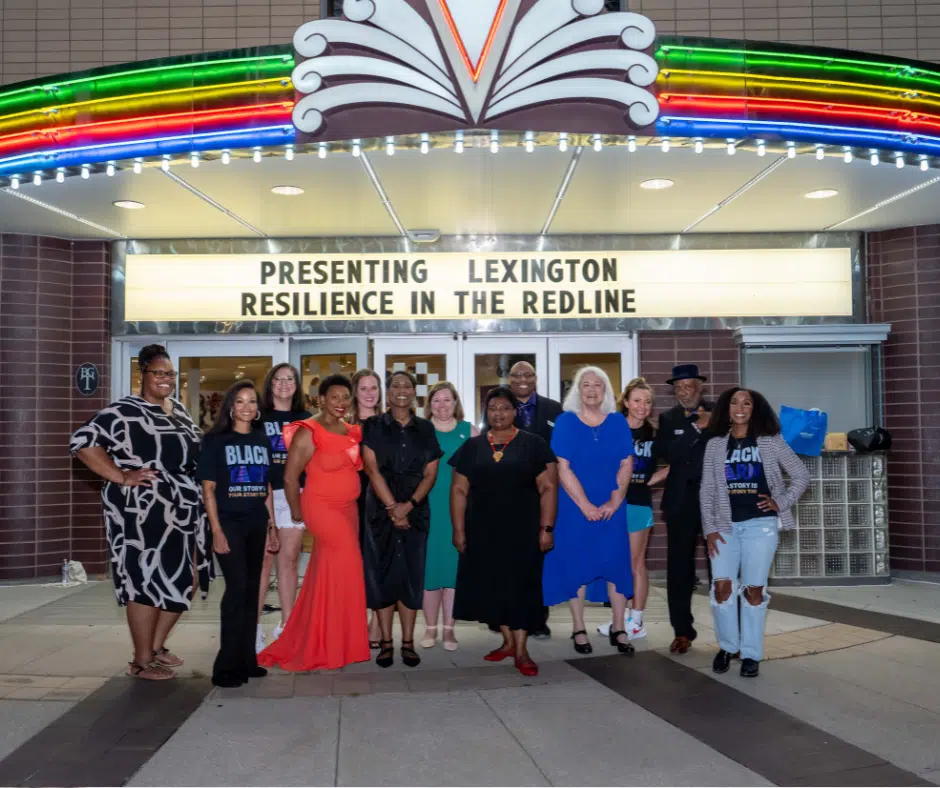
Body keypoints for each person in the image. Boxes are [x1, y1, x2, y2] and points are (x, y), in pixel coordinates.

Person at [70, 344, 206, 681]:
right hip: (140, 512)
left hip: (182, 510)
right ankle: (141, 661)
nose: (166, 379)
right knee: (145, 581)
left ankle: (156, 647)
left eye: (170, 374)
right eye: (159, 373)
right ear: (142, 375)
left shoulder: (179, 412)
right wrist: (121, 475)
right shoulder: (124, 410)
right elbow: (83, 441)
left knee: (186, 577)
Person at [258, 375, 371, 672]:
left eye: (346, 397)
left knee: (328, 574)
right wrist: (297, 512)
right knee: (348, 565)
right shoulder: (309, 430)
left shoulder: (352, 431)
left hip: (348, 510)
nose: (341, 403)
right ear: (321, 398)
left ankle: (333, 641)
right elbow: (290, 476)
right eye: (334, 397)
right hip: (321, 508)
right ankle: (331, 644)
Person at [701, 387, 809, 678]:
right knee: (722, 590)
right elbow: (707, 490)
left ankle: (750, 654)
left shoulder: (771, 443)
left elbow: (800, 475)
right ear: (726, 409)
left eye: (746, 403)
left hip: (760, 525)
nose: (740, 407)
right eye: (734, 402)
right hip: (724, 527)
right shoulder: (714, 445)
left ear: (754, 409)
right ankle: (727, 647)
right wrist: (709, 529)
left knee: (753, 591)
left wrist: (780, 502)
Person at [451, 386, 558, 677]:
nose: (499, 413)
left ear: (515, 411)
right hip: (482, 531)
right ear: (487, 411)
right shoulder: (472, 447)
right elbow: (459, 490)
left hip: (523, 531)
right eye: (493, 408)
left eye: (505, 408)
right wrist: (458, 531)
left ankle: (522, 650)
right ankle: (508, 643)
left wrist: (546, 528)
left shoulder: (533, 444)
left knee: (521, 587)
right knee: (495, 588)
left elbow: (548, 488)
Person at [543, 366, 636, 656]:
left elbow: (626, 463)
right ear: (577, 390)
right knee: (576, 563)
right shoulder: (565, 422)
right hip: (574, 509)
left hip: (612, 508)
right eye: (586, 384)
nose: (592, 389)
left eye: (598, 384)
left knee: (616, 563)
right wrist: (585, 505)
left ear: (606, 390)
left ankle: (619, 627)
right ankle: (579, 627)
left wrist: (614, 501)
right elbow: (563, 467)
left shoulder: (618, 422)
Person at [198, 380, 279, 688]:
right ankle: (225, 668)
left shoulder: (261, 439)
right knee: (235, 591)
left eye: (252, 402)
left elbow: (267, 486)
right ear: (231, 407)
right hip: (229, 524)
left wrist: (272, 526)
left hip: (256, 523)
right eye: (241, 401)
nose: (248, 407)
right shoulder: (215, 440)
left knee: (250, 591)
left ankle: (247, 660)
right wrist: (216, 530)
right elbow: (208, 489)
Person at [361, 371, 443, 668]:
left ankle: (408, 642)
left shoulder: (425, 428)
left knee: (410, 576)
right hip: (379, 514)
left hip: (417, 512)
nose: (401, 390)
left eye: (407, 386)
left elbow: (431, 473)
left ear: (414, 392)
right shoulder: (372, 425)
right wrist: (393, 508)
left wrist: (408, 506)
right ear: (388, 391)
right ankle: (385, 642)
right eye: (395, 385)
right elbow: (371, 469)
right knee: (381, 576)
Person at [597, 377, 668, 639]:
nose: (642, 406)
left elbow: (675, 463)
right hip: (613, 504)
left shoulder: (655, 434)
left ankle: (636, 620)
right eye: (637, 400)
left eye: (647, 402)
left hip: (638, 504)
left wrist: (650, 481)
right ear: (626, 402)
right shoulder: (612, 430)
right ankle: (620, 619)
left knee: (636, 562)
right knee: (615, 562)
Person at [655, 363, 714, 655]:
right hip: (681, 501)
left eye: (688, 386)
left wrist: (708, 423)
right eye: (677, 388)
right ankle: (682, 630)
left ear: (700, 386)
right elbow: (668, 454)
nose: (683, 392)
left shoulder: (719, 413)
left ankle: (730, 629)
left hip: (716, 501)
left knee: (721, 566)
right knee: (679, 568)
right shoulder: (668, 419)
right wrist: (695, 430)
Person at [256, 363, 311, 653]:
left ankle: (287, 626)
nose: (284, 384)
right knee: (264, 561)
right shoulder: (258, 417)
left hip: (293, 495)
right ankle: (253, 629)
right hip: (262, 495)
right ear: (270, 384)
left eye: (290, 379)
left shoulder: (306, 419)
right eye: (278, 379)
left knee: (289, 561)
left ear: (296, 385)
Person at [421, 382, 479, 651]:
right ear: (429, 404)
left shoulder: (470, 433)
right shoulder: (421, 432)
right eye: (436, 401)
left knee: (453, 572)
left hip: (458, 512)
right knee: (430, 571)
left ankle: (449, 630)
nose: (442, 406)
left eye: (447, 400)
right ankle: (430, 628)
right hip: (428, 509)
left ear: (456, 403)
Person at [507, 359, 562, 639]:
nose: (523, 379)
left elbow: (561, 450)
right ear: (509, 380)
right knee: (511, 558)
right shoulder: (501, 406)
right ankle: (508, 617)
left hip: (545, 493)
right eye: (517, 375)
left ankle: (539, 618)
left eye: (528, 374)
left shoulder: (554, 409)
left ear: (536, 378)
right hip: (509, 494)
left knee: (540, 558)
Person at [348, 369, 384, 650]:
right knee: (353, 565)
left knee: (379, 562)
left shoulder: (388, 424)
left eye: (374, 387)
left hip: (382, 500)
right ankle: (353, 622)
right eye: (364, 388)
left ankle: (375, 623)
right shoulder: (343, 425)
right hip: (350, 501)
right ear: (355, 392)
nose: (370, 393)